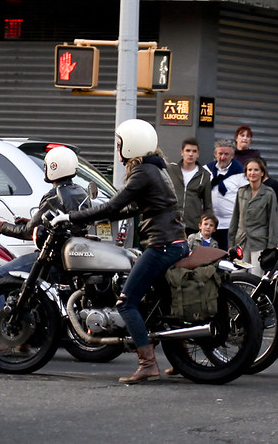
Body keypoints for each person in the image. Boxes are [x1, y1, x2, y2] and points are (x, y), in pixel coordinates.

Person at [51, 119, 188, 384]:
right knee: (162, 304)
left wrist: (71, 217)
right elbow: (133, 208)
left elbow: (113, 207)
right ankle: (183, 358)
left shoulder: (142, 173)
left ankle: (147, 363)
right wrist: (95, 218)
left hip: (161, 245)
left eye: (120, 143)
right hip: (175, 241)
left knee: (126, 302)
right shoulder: (157, 169)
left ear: (132, 144)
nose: (117, 149)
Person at [0, 145, 89, 356]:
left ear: (53, 168)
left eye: (46, 166)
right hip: (70, 256)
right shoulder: (80, 192)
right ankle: (25, 338)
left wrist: (0, 227)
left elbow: (26, 232)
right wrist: (30, 223)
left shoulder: (53, 197)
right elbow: (48, 224)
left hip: (52, 257)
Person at [228, 157, 278, 276]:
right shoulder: (241, 192)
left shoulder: (269, 193)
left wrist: (271, 247)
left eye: (256, 170)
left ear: (262, 172)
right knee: (237, 275)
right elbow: (235, 218)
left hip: (259, 242)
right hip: (241, 241)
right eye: (249, 170)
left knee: (256, 276)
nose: (252, 173)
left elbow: (273, 222)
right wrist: (231, 243)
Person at [204, 138, 248, 250]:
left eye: (226, 154)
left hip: (230, 226)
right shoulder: (206, 170)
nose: (223, 157)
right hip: (209, 224)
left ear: (232, 155)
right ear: (215, 154)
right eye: (220, 153)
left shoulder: (241, 174)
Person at [167, 137, 213, 231]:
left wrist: (205, 225)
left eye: (194, 151)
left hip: (193, 225)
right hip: (171, 223)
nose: (191, 154)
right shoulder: (171, 170)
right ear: (182, 152)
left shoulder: (205, 175)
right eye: (188, 150)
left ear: (198, 154)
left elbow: (207, 205)